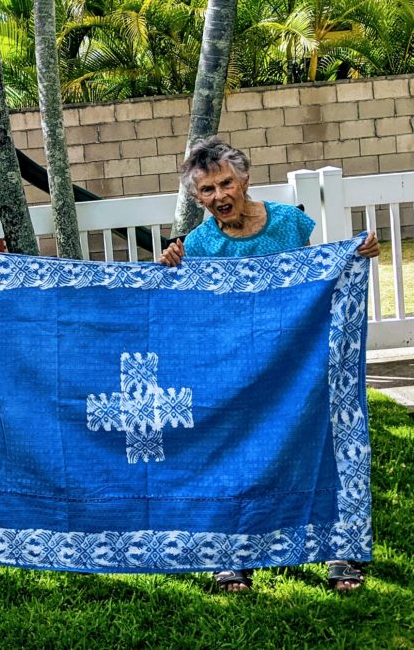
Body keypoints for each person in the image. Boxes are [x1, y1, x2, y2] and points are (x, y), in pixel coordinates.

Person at [158, 137, 379, 593]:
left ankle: (339, 550)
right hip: (234, 370)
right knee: (229, 455)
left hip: (296, 364)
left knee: (318, 445)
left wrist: (356, 254)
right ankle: (232, 554)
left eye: (225, 183)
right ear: (196, 198)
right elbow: (190, 309)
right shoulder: (197, 244)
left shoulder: (289, 224)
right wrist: (172, 266)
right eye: (206, 190)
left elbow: (319, 275)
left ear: (245, 180)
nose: (219, 196)